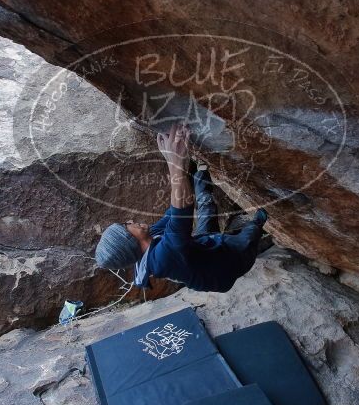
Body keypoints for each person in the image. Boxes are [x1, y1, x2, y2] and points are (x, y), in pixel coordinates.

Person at [95, 123, 268, 293]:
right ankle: (262, 220)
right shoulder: (163, 258)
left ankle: (200, 170)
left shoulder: (150, 238)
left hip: (200, 247)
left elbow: (174, 212)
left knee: (205, 207)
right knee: (248, 236)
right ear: (130, 241)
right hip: (226, 266)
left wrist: (173, 160)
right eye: (126, 225)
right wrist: (175, 162)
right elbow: (181, 211)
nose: (131, 221)